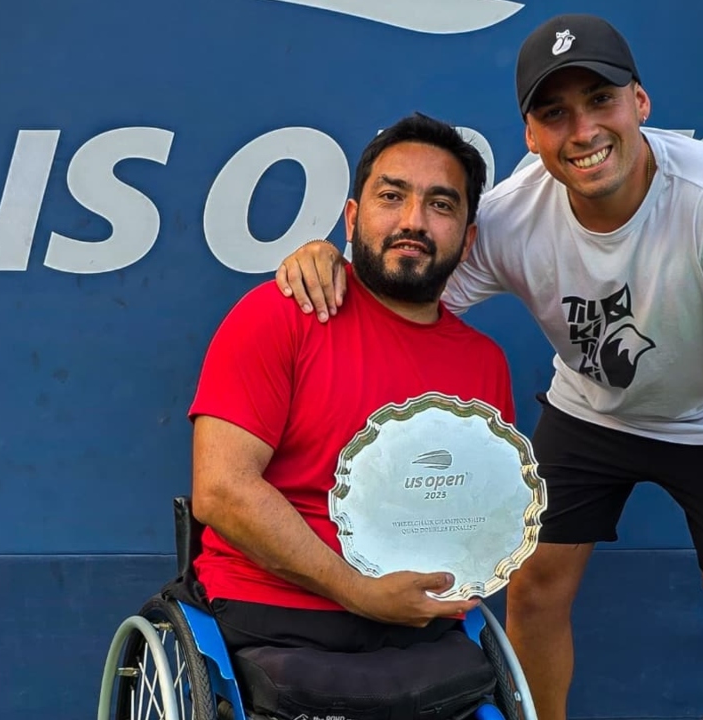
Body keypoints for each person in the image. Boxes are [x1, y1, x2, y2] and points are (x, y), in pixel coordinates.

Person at [272, 13, 703, 720]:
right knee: (535, 588)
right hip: (590, 415)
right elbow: (402, 296)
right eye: (555, 114)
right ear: (530, 135)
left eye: (600, 102)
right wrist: (326, 258)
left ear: (639, 102)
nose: (582, 132)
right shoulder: (513, 215)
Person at [187, 112, 517, 655]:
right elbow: (222, 491)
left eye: (440, 205)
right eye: (392, 197)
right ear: (352, 217)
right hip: (274, 617)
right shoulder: (278, 314)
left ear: (467, 237)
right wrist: (359, 592)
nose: (413, 220)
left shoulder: (485, 365)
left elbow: (479, 516)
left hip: (419, 631)